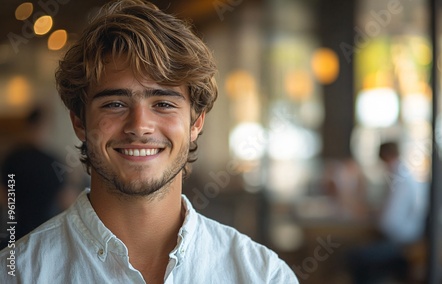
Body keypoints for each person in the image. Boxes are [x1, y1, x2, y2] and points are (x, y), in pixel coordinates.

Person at [0, 1, 298, 283]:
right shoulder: (17, 274)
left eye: (164, 104)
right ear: (79, 121)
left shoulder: (263, 275)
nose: (140, 126)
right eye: (115, 104)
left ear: (196, 122)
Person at [348, 142, 427, 284]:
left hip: (401, 243)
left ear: (387, 157)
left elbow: (388, 222)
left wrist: (372, 217)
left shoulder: (399, 177)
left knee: (354, 256)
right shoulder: (403, 174)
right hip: (403, 238)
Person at [0, 106, 67, 246]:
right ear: (44, 126)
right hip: (46, 233)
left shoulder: (13, 158)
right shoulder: (53, 162)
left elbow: (5, 196)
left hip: (16, 232)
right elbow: (64, 199)